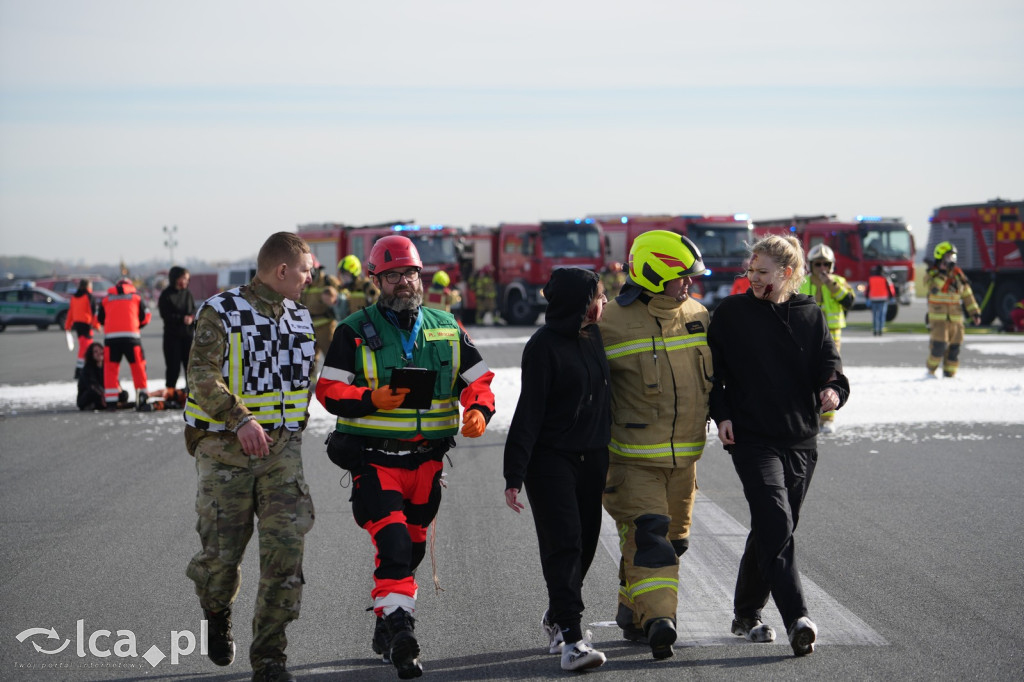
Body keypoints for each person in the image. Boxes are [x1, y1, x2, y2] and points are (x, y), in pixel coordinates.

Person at [316, 235, 495, 680]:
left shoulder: (446, 324)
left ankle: (385, 617)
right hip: (375, 462)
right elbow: (329, 390)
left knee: (410, 550)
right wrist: (370, 397)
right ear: (376, 280)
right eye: (392, 275)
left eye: (409, 274)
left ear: (420, 276)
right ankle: (402, 635)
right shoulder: (353, 330)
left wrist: (478, 409)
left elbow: (479, 379)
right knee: (393, 545)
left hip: (428, 465)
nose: (402, 283)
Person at [183, 232, 317, 682]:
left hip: (282, 454)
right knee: (221, 560)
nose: (310, 278)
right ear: (281, 270)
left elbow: (301, 381)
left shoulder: (300, 315)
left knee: (285, 556)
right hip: (226, 451)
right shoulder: (221, 311)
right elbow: (200, 375)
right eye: (304, 270)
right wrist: (239, 418)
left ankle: (270, 659)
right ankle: (216, 608)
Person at [708, 234, 850, 657]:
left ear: (787, 274)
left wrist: (833, 391)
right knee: (774, 518)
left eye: (762, 272)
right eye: (750, 270)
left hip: (801, 438)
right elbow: (715, 375)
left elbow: (831, 366)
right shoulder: (732, 313)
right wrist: (723, 414)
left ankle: (746, 613)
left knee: (775, 529)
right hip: (752, 438)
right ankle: (798, 618)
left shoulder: (810, 312)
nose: (752, 278)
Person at [598, 230, 713, 660]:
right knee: (650, 539)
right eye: (681, 276)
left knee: (674, 541)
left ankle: (632, 610)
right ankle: (661, 622)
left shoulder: (699, 315)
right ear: (653, 273)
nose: (689, 284)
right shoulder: (607, 324)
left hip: (685, 460)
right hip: (630, 461)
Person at [503, 267, 610, 672]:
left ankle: (556, 616)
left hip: (593, 457)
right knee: (563, 543)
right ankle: (572, 639)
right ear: (581, 303)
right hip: (550, 460)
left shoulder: (596, 336)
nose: (603, 303)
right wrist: (514, 473)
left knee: (585, 544)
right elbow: (529, 411)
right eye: (598, 296)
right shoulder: (542, 346)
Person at [798, 244, 853, 432]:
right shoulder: (802, 282)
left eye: (826, 264)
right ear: (811, 265)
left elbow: (848, 301)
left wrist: (830, 283)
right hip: (807, 336)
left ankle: (828, 419)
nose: (822, 268)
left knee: (830, 375)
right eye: (818, 264)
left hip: (833, 336)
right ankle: (809, 415)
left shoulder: (838, 281)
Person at [925, 241, 982, 377]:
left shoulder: (958, 276)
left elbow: (967, 295)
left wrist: (975, 313)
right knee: (938, 348)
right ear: (940, 257)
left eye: (953, 257)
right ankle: (930, 372)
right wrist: (943, 274)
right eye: (948, 257)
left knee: (954, 349)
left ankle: (950, 375)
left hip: (956, 320)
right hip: (939, 320)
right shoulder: (932, 274)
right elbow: (933, 289)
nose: (951, 260)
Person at [98, 277, 151, 409]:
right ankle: (142, 398)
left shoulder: (106, 299)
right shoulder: (136, 298)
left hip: (111, 339)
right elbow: (144, 318)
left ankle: (111, 402)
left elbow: (100, 319)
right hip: (132, 338)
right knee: (138, 368)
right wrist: (135, 325)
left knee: (110, 370)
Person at [158, 266, 196, 390]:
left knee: (190, 367)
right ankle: (170, 393)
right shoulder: (166, 294)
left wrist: (191, 317)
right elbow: (165, 315)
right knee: (173, 367)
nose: (186, 281)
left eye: (187, 279)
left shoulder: (188, 293)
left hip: (188, 336)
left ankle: (190, 393)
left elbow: (193, 309)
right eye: (183, 278)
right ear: (175, 278)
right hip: (172, 337)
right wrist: (181, 319)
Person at [301, 260, 340, 366]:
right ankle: (311, 382)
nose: (309, 275)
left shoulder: (328, 281)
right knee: (310, 361)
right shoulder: (306, 284)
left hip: (326, 327)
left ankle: (336, 381)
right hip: (308, 328)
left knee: (332, 358)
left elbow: (342, 297)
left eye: (310, 271)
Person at [65, 279, 101, 379]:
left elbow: (70, 313)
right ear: (87, 286)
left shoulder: (74, 297)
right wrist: (97, 325)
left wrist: (67, 325)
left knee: (84, 346)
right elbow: (93, 313)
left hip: (78, 325)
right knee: (86, 348)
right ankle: (80, 370)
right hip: (86, 324)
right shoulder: (89, 297)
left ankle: (83, 369)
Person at [77, 342, 127, 410]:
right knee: (92, 393)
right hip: (92, 395)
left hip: (105, 394)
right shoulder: (87, 369)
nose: (99, 353)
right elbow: (92, 386)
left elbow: (115, 381)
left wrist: (119, 390)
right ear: (91, 355)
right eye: (95, 352)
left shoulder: (107, 368)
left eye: (101, 350)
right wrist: (103, 395)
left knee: (124, 394)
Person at [335, 254, 378, 320]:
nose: (343, 278)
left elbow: (378, 309)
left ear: (354, 273)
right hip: (353, 326)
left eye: (346, 275)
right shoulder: (346, 290)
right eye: (342, 275)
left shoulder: (367, 287)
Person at [866, 265, 896, 336]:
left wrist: (867, 297)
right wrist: (892, 297)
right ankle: (880, 329)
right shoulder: (885, 278)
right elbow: (890, 289)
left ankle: (875, 329)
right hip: (883, 299)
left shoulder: (871, 278)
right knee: (881, 315)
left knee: (875, 316)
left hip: (873, 299)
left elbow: (868, 289)